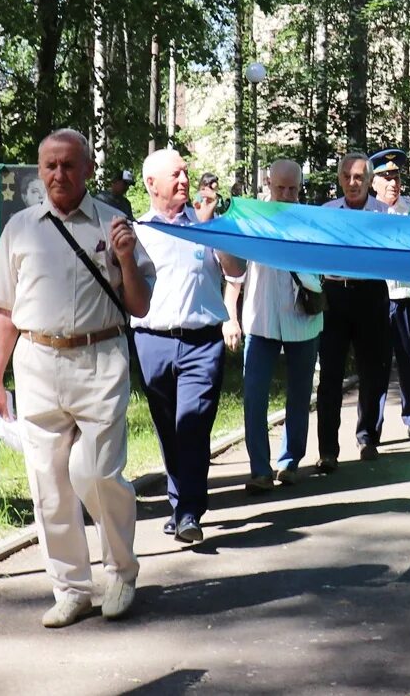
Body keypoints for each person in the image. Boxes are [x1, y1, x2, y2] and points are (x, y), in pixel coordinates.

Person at [0, 129, 154, 628]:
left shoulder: (115, 224)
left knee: (95, 472)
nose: (59, 174)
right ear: (40, 171)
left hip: (99, 358)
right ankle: (71, 587)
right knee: (49, 483)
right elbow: (4, 311)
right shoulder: (21, 229)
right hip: (37, 362)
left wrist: (125, 258)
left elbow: (140, 306)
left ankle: (121, 571)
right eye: (50, 165)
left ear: (88, 169)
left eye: (69, 165)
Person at [132, 149, 244, 545]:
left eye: (185, 173)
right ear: (151, 184)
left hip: (201, 343)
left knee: (192, 424)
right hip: (152, 341)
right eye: (175, 175)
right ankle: (181, 506)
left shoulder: (205, 224)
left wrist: (212, 227)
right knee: (168, 428)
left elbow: (235, 271)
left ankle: (188, 511)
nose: (184, 180)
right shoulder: (137, 230)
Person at [225, 160, 323, 491]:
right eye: (280, 187)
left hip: (302, 320)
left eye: (293, 188)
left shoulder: (311, 221)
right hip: (260, 319)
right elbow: (235, 273)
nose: (286, 194)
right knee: (254, 397)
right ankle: (259, 469)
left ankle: (290, 461)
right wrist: (231, 316)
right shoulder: (251, 217)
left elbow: (325, 267)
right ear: (268, 182)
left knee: (299, 394)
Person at [314, 152, 391, 470]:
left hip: (371, 294)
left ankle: (368, 438)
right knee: (330, 374)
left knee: (373, 371)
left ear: (370, 181)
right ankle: (327, 451)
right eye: (346, 176)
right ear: (339, 179)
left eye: (359, 177)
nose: (352, 182)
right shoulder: (327, 212)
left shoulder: (383, 214)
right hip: (334, 295)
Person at [374, 152, 410, 439]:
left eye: (395, 177)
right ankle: (371, 428)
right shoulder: (367, 214)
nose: (392, 183)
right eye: (385, 178)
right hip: (376, 296)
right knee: (376, 362)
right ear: (373, 183)